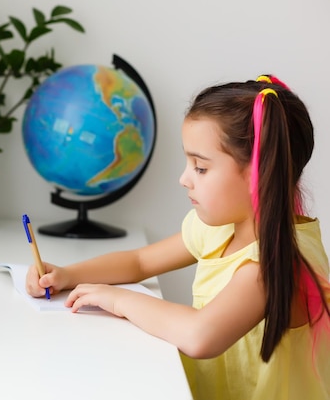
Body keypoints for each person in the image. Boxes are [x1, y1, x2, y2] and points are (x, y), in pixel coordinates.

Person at [25, 75, 330, 400]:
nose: (184, 179)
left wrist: (120, 300)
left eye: (200, 167)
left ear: (259, 173)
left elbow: (200, 336)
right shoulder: (220, 228)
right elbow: (140, 261)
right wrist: (69, 275)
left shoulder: (271, 266)